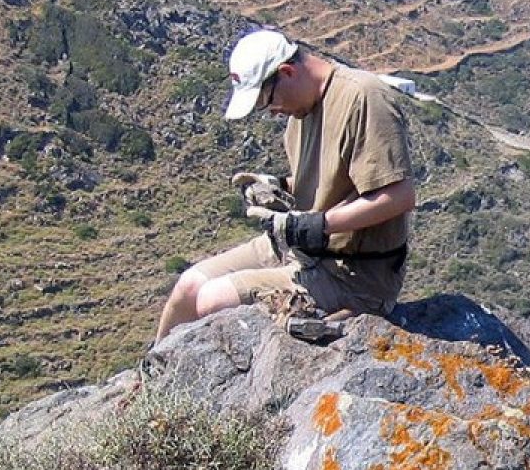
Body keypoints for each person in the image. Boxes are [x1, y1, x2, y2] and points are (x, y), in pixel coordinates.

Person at [154, 28, 415, 342]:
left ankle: (337, 313)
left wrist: (317, 224)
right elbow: (329, 182)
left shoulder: (362, 98)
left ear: (287, 72)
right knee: (189, 286)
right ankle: (155, 375)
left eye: (268, 101)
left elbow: (399, 195)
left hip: (352, 273)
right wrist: (278, 186)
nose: (273, 112)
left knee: (213, 299)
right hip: (302, 249)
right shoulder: (301, 114)